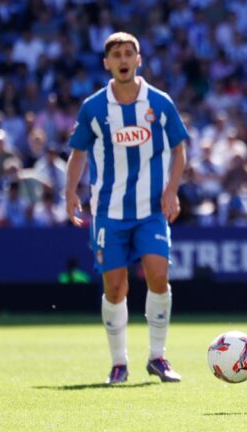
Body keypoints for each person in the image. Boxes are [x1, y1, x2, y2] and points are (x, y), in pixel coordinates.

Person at [65, 32, 188, 385]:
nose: (122, 59)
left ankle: (158, 357)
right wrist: (69, 192)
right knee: (115, 289)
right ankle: (119, 363)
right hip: (108, 212)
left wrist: (171, 190)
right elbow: (78, 153)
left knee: (158, 276)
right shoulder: (94, 107)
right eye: (116, 54)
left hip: (150, 210)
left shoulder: (160, 103)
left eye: (128, 53)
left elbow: (180, 148)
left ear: (139, 59)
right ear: (107, 63)